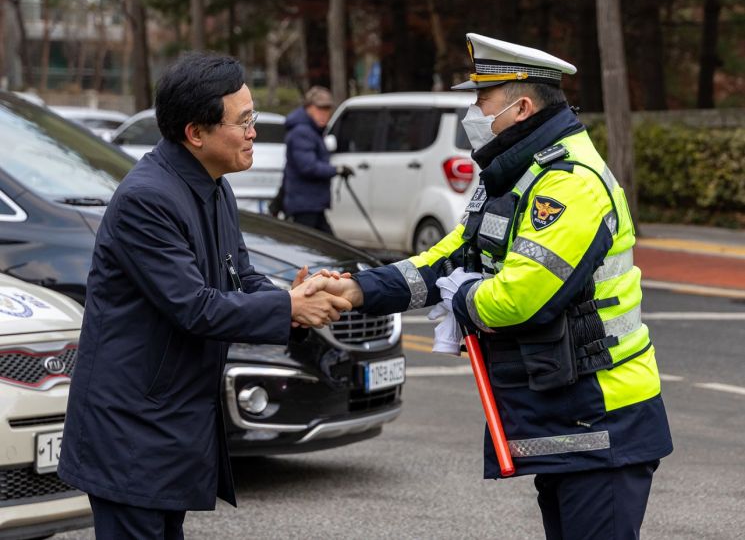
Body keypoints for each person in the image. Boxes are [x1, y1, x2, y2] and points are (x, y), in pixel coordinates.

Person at [305, 33, 674, 539]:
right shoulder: (512, 175)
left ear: (520, 107)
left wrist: (461, 296)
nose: (473, 111)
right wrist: (359, 290)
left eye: (482, 99)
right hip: (567, 415)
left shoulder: (570, 183)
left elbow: (516, 300)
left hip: (603, 418)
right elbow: (449, 258)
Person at [57, 53, 352, 539]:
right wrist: (288, 308)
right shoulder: (146, 200)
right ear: (196, 133)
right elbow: (194, 306)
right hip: (131, 430)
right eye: (244, 121)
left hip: (169, 422)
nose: (254, 131)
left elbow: (240, 276)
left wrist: (293, 297)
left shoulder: (213, 186)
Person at [280, 85, 354, 234]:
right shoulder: (302, 132)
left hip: (311, 203)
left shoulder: (312, 131)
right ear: (308, 108)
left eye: (327, 109)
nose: (324, 114)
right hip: (304, 205)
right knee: (313, 249)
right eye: (320, 109)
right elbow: (308, 166)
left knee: (326, 247)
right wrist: (336, 170)